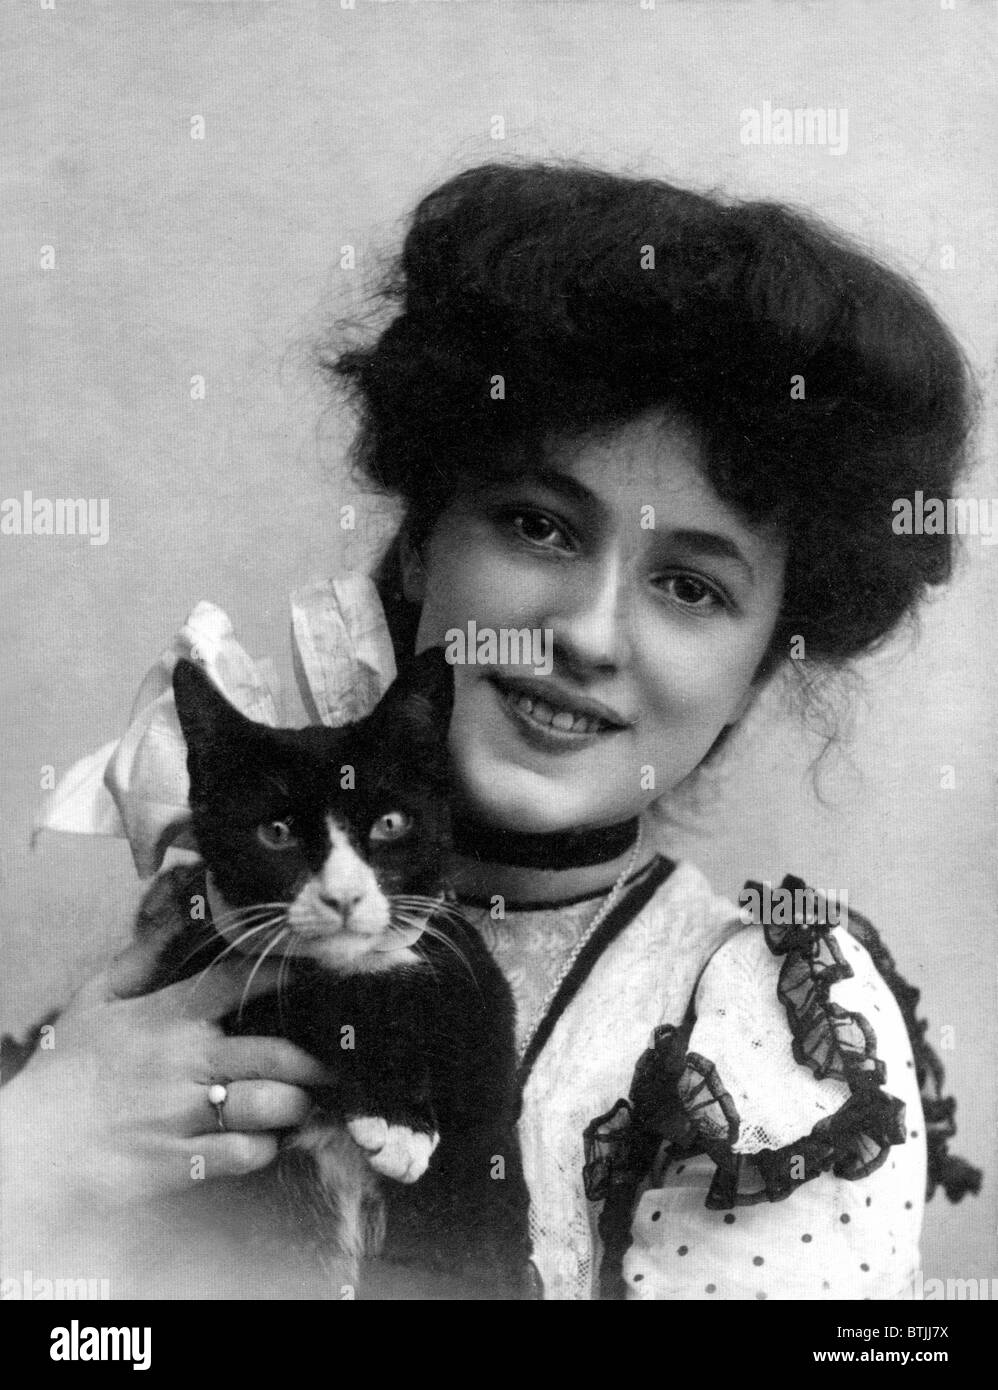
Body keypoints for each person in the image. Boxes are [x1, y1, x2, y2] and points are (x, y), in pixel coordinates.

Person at [1, 163, 982, 1300]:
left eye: (692, 588)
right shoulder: (207, 924)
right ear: (423, 544)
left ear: (760, 665)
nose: (588, 634)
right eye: (538, 526)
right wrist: (30, 1151)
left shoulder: (752, 1028)